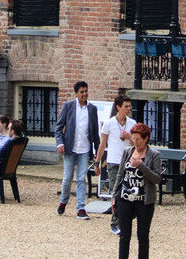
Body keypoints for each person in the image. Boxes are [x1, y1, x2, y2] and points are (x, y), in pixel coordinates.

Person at [112, 124, 162, 259]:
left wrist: (141, 165)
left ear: (146, 139)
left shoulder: (154, 155)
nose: (135, 142)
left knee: (143, 235)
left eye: (138, 139)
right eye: (133, 139)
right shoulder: (128, 151)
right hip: (125, 199)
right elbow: (120, 174)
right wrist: (114, 195)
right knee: (124, 235)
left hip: (144, 201)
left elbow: (157, 178)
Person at [56, 80, 99, 219]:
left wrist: (97, 153)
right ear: (76, 94)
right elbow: (58, 127)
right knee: (67, 178)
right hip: (70, 147)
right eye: (81, 92)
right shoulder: (68, 106)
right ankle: (63, 201)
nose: (84, 94)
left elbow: (95, 131)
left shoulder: (92, 109)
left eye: (86, 91)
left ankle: (81, 208)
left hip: (85, 148)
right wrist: (60, 143)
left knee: (81, 178)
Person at [95, 94, 136, 234]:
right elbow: (102, 144)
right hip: (113, 163)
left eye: (129, 106)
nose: (128, 109)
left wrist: (129, 137)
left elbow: (139, 143)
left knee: (129, 193)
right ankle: (115, 221)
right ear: (118, 107)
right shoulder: (109, 124)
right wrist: (97, 162)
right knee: (116, 194)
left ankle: (124, 220)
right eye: (126, 106)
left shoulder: (132, 123)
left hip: (129, 163)